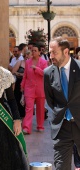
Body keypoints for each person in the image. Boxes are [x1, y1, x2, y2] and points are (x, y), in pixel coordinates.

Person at [44, 36, 80, 170]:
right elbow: (50, 100)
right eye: (49, 52)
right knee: (61, 166)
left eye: (54, 52)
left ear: (66, 52)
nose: (51, 56)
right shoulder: (48, 73)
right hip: (62, 128)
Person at [20, 44, 48, 134]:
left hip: (40, 89)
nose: (33, 52)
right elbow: (25, 75)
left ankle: (40, 126)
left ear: (39, 52)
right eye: (32, 50)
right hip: (29, 88)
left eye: (35, 51)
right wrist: (22, 85)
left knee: (40, 108)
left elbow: (45, 73)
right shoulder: (28, 62)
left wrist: (36, 68)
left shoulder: (44, 62)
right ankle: (26, 127)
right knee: (29, 108)